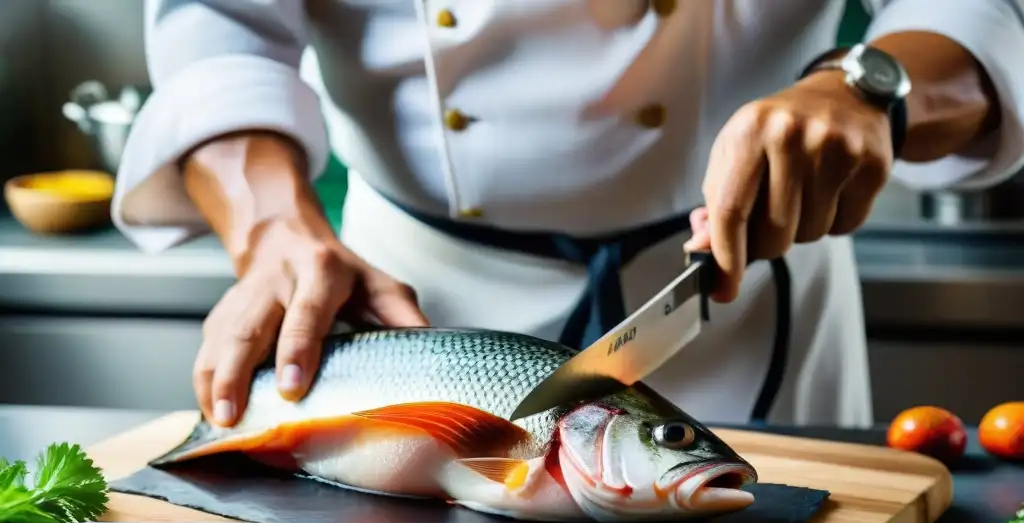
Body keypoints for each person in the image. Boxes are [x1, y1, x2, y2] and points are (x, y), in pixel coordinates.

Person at [113, 0, 1022, 430]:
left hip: (736, 292)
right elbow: (219, 22)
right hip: (410, 313)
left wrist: (870, 90)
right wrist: (273, 229)